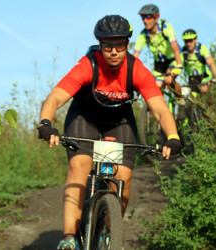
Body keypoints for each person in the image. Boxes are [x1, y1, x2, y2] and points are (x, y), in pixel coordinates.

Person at [37, 15, 182, 250]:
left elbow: (160, 109)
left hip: (119, 121)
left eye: (120, 45)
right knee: (79, 166)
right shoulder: (88, 65)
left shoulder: (136, 69)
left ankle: (108, 231)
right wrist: (45, 123)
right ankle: (69, 237)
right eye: (107, 46)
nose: (114, 51)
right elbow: (55, 97)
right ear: (100, 45)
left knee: (123, 177)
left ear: (127, 45)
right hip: (84, 118)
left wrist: (173, 137)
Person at [133, 4, 184, 99]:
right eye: (143, 18)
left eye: (148, 17)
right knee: (154, 89)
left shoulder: (166, 27)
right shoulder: (143, 35)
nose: (145, 21)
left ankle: (181, 101)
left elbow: (175, 47)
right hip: (159, 64)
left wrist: (179, 65)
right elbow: (135, 55)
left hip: (173, 59)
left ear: (156, 18)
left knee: (168, 80)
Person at [181, 29, 216, 93]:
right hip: (192, 79)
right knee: (190, 97)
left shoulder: (202, 49)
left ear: (195, 40)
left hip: (205, 76)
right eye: (186, 41)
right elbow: (177, 64)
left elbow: (211, 64)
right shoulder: (182, 51)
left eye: (190, 40)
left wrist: (215, 78)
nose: (188, 43)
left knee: (203, 89)